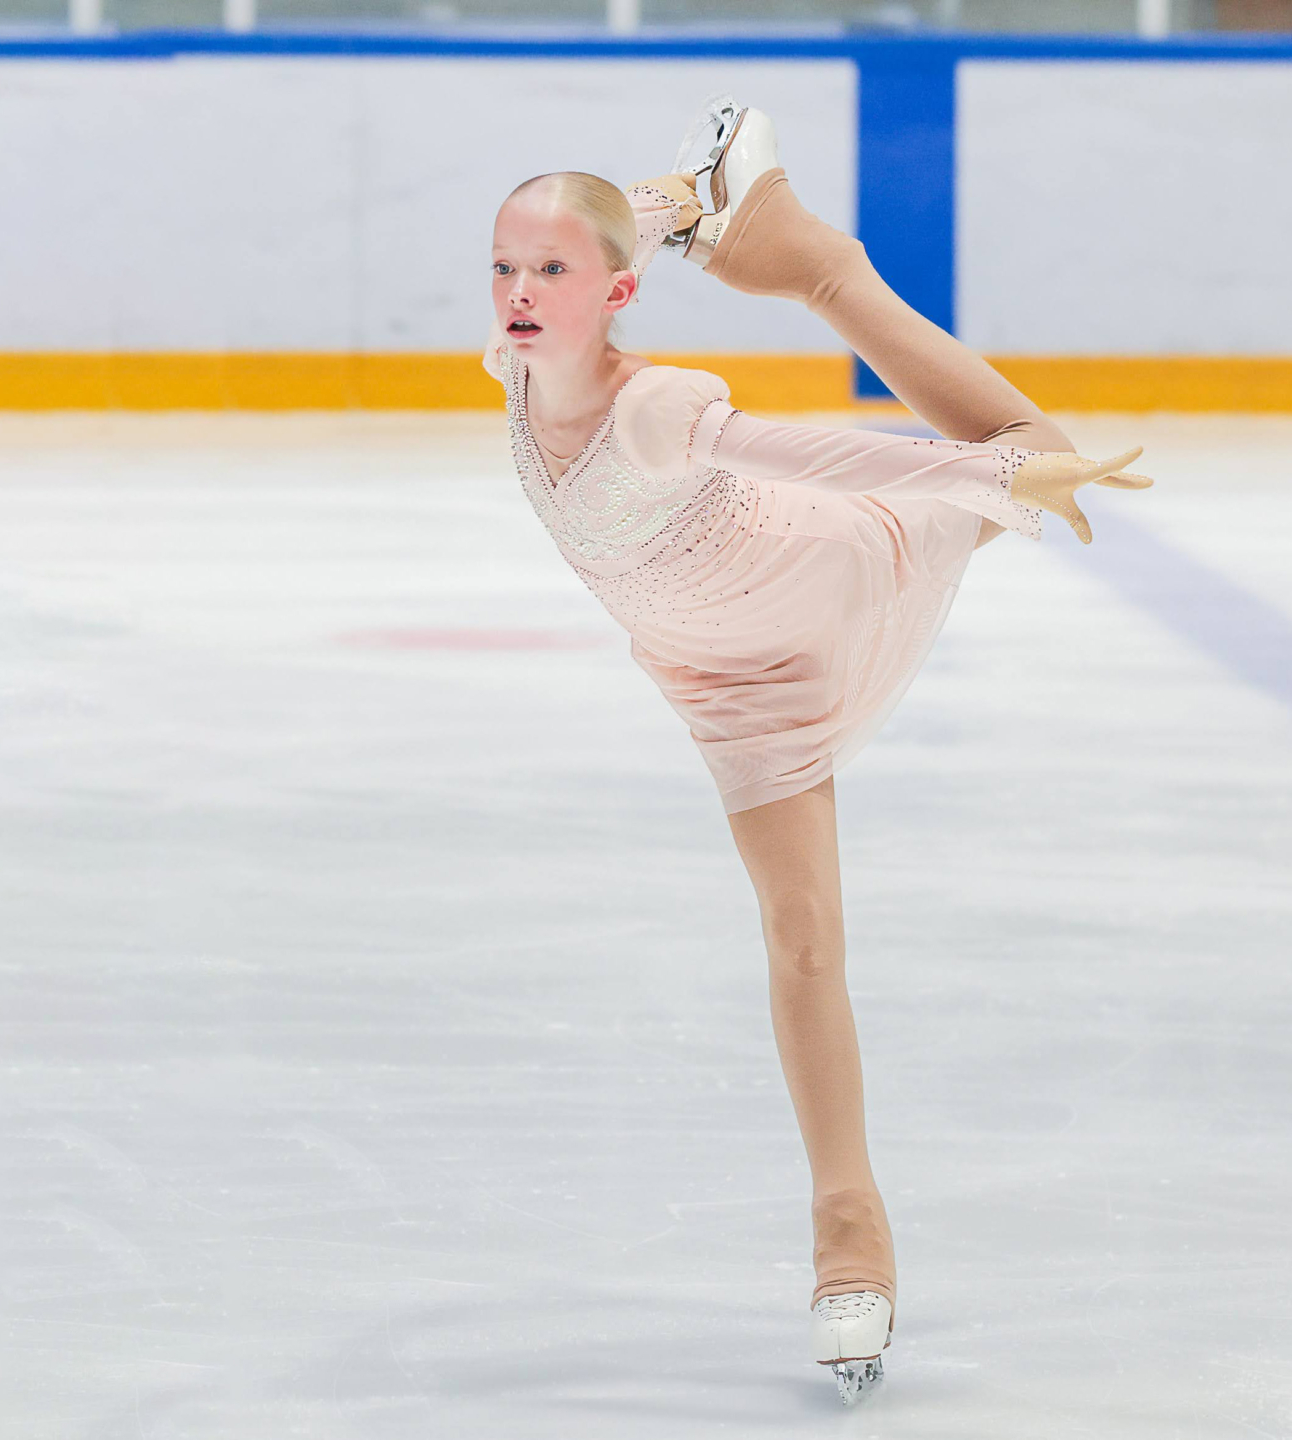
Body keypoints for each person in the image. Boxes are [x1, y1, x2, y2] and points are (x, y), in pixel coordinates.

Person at [482, 101, 1150, 1404]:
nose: (516, 292)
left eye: (549, 272)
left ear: (613, 294)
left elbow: (829, 457)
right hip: (727, 687)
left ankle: (850, 1236)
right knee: (800, 937)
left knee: (1025, 455)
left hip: (814, 577)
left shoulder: (661, 405)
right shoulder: (512, 366)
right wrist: (672, 207)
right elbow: (586, 235)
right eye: (502, 269)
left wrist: (999, 490)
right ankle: (766, 226)